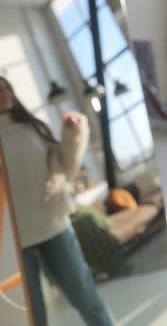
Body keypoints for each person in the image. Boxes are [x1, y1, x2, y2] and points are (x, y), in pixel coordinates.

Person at [0, 77, 115, 326]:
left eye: (8, 87)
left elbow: (65, 166)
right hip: (13, 243)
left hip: (54, 226)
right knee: (31, 317)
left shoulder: (33, 127)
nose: (5, 93)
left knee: (87, 299)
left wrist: (73, 133)